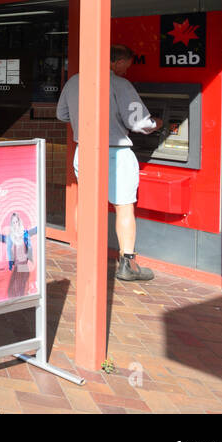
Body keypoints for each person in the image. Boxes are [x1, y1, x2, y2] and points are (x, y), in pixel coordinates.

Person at [57, 44, 164, 283]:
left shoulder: (74, 81)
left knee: (85, 201)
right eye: (126, 64)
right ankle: (128, 264)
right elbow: (138, 123)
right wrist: (157, 123)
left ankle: (84, 252)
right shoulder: (120, 84)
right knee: (123, 206)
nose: (127, 69)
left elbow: (61, 114)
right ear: (115, 62)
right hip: (115, 152)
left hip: (83, 150)